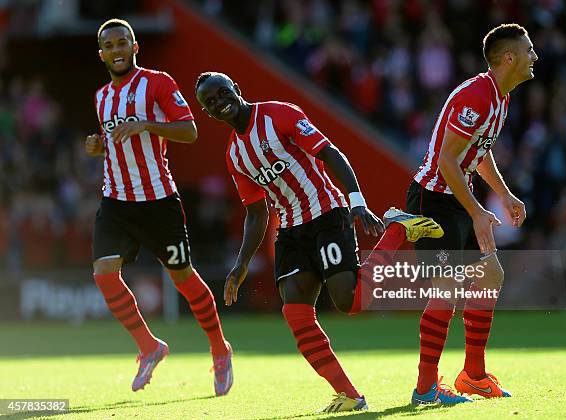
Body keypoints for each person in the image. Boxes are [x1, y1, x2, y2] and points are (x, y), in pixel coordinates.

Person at [195, 71, 443, 412]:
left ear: (236, 88)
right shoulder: (235, 156)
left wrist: (357, 202)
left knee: (350, 302)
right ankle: (351, 396)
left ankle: (397, 230)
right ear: (207, 113)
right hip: (291, 232)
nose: (219, 103)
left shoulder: (278, 113)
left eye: (222, 93)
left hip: (327, 213)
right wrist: (241, 264)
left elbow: (330, 154)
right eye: (210, 103)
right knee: (295, 312)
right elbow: (256, 214)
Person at [86, 19, 232, 395]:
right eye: (109, 46)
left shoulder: (158, 83)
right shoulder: (101, 97)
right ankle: (149, 347)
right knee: (104, 274)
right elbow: (117, 137)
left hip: (158, 201)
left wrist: (146, 125)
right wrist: (101, 144)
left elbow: (190, 131)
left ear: (135, 47)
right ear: (101, 53)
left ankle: (219, 349)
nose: (116, 50)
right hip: (116, 200)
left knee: (182, 277)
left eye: (123, 43)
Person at [407, 23, 536, 405]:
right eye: (529, 50)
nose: (534, 57)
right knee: (446, 290)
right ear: (509, 58)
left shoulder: (501, 97)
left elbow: (477, 154)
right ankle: (425, 388)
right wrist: (479, 211)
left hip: (457, 199)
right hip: (433, 199)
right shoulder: (478, 95)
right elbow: (447, 160)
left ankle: (474, 376)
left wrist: (505, 194)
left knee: (490, 276)